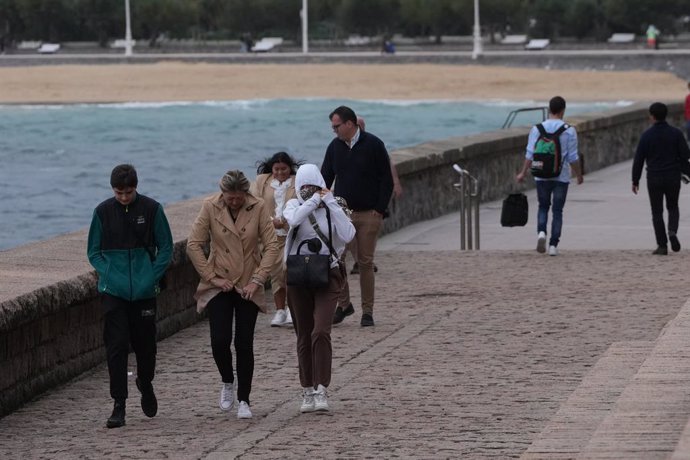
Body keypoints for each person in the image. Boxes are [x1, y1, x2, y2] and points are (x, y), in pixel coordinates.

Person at [186, 170, 279, 419]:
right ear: (223, 193)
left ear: (245, 194)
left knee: (243, 342)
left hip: (249, 281)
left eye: (238, 198)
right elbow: (194, 244)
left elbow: (271, 245)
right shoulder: (210, 207)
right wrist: (212, 277)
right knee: (219, 340)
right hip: (220, 282)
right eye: (230, 198)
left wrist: (258, 279)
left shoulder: (258, 207)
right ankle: (228, 380)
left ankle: (244, 399)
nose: (234, 202)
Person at [87, 164, 173, 429]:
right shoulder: (102, 212)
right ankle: (119, 404)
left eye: (129, 192)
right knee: (116, 346)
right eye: (119, 192)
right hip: (114, 292)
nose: (124, 197)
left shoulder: (152, 209)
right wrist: (110, 275)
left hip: (145, 291)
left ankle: (145, 383)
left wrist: (151, 276)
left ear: (136, 187)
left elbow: (166, 247)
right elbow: (94, 253)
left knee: (146, 345)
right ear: (113, 189)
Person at [283, 164, 355, 413]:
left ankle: (322, 387)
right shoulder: (293, 205)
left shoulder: (334, 206)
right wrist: (313, 200)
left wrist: (331, 203)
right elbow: (293, 220)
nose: (309, 191)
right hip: (298, 275)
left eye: (313, 187)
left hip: (328, 273)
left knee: (320, 331)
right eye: (304, 187)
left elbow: (348, 234)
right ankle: (307, 389)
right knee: (303, 334)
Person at [321, 105, 394, 327]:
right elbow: (325, 177)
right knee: (336, 260)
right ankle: (344, 305)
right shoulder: (334, 147)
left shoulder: (373, 144)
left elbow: (386, 178)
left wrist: (379, 209)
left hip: (369, 213)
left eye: (337, 126)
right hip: (342, 214)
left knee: (365, 262)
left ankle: (367, 311)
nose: (334, 131)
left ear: (349, 124)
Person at [516, 96, 583, 255]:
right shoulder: (569, 130)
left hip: (541, 175)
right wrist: (579, 174)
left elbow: (530, 154)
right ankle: (553, 246)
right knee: (558, 211)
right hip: (561, 176)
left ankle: (541, 233)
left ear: (549, 109)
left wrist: (523, 173)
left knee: (543, 206)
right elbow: (573, 157)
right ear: (562, 110)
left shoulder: (537, 129)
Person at [632, 102, 690, 255]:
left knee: (656, 211)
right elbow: (686, 155)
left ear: (652, 116)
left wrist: (635, 180)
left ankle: (662, 245)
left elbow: (639, 159)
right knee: (673, 207)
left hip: (654, 177)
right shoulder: (676, 133)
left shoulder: (646, 136)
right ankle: (672, 231)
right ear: (666, 115)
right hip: (672, 176)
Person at [251, 151, 300, 327]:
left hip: (293, 235)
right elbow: (256, 205)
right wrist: (272, 222)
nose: (280, 173)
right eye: (276, 169)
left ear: (290, 168)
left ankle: (291, 310)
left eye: (284, 169)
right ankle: (280, 310)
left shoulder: (297, 182)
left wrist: (286, 222)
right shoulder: (262, 182)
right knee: (277, 274)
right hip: (272, 236)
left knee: (290, 271)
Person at [349, 115, 402, 275]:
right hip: (351, 199)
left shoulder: (373, 144)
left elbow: (388, 164)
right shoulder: (341, 146)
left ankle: (365, 260)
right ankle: (360, 261)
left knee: (369, 232)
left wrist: (396, 183)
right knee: (351, 235)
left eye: (361, 125)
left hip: (372, 197)